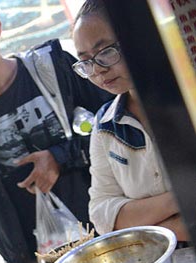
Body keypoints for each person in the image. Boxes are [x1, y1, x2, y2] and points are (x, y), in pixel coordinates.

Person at [0, 0, 112, 263]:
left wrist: (61, 156)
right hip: (42, 257)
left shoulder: (52, 68)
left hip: (105, 224)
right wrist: (16, 259)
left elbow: (114, 125)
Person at [72, 0, 189, 242]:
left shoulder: (188, 97)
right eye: (86, 61)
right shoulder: (105, 126)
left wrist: (142, 219)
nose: (98, 70)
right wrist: (178, 199)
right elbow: (102, 215)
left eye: (105, 52)